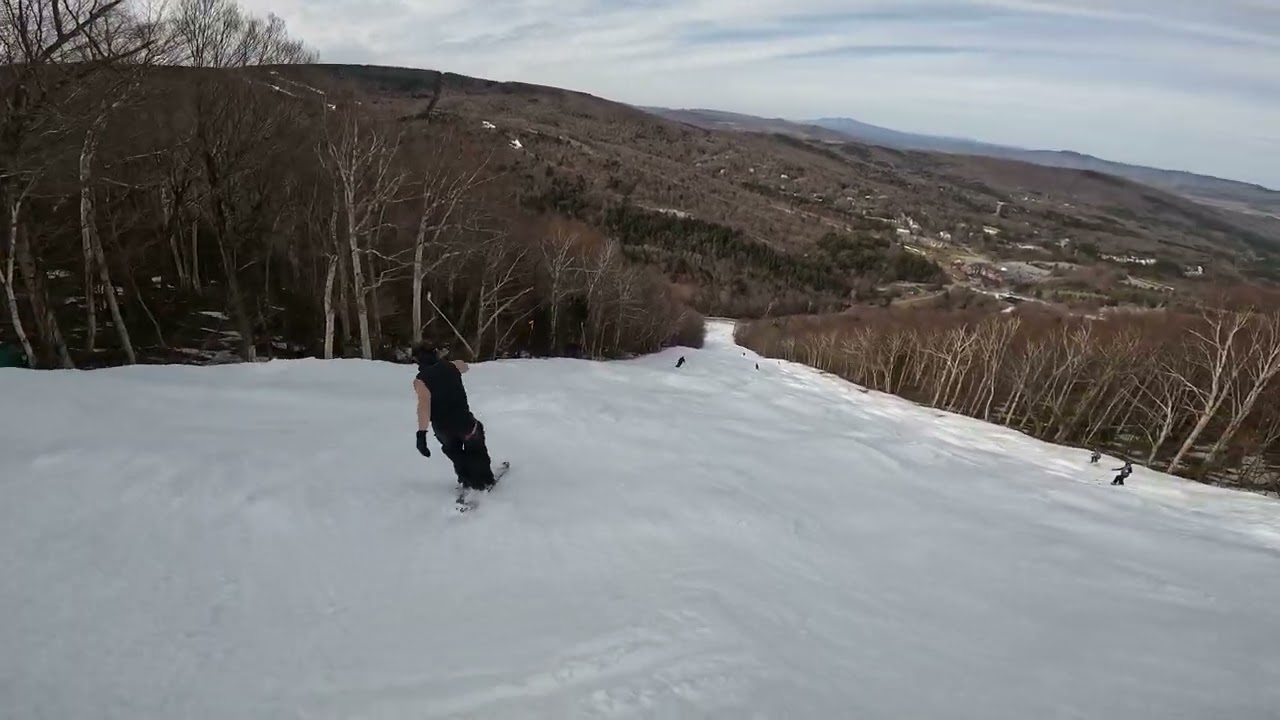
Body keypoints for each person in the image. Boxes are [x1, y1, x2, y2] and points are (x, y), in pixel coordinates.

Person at [412, 343, 497, 494]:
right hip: (464, 423)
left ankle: (465, 479)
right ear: (436, 354)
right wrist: (445, 362)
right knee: (476, 449)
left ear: (417, 360)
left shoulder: (420, 380)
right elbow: (465, 366)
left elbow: (423, 407)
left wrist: (421, 434)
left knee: (455, 452)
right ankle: (483, 480)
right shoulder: (452, 367)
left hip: (442, 429)